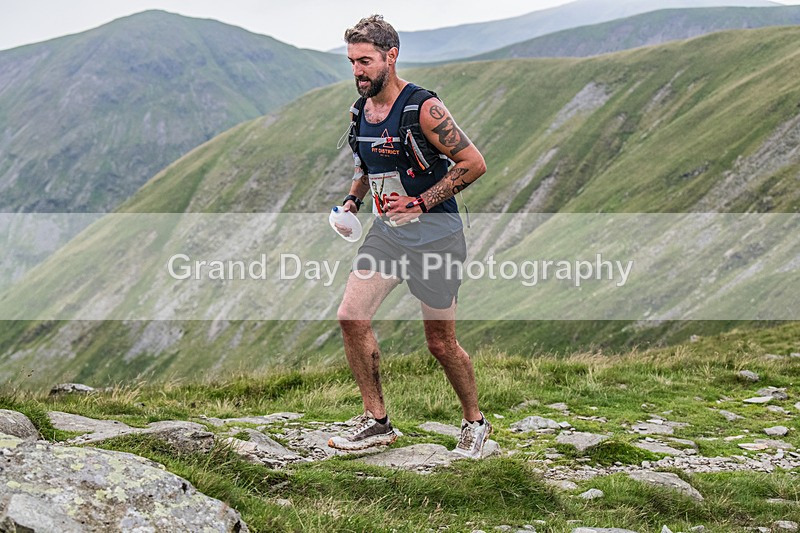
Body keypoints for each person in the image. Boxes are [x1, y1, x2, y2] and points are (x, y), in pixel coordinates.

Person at [327, 15, 490, 459]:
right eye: (352, 62)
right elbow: (367, 165)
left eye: (365, 61)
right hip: (389, 234)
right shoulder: (360, 112)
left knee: (440, 343)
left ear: (391, 56)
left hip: (437, 237)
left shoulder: (424, 108)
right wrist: (352, 200)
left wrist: (420, 203)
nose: (357, 71)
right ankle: (377, 421)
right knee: (351, 316)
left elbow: (474, 163)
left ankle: (475, 422)